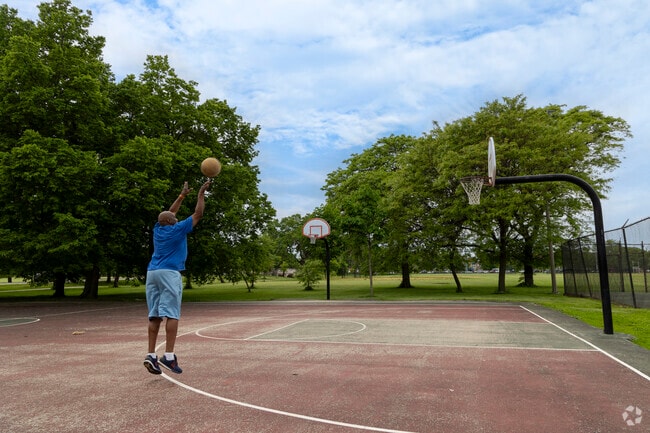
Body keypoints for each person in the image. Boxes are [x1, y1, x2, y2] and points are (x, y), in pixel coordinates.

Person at [143, 179, 211, 375]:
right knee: (172, 314)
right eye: (173, 217)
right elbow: (198, 213)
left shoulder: (158, 229)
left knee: (154, 315)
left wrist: (181, 196)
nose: (175, 215)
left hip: (152, 273)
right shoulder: (178, 228)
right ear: (172, 221)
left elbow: (168, 213)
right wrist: (200, 194)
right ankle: (169, 356)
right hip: (169, 273)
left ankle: (151, 355)